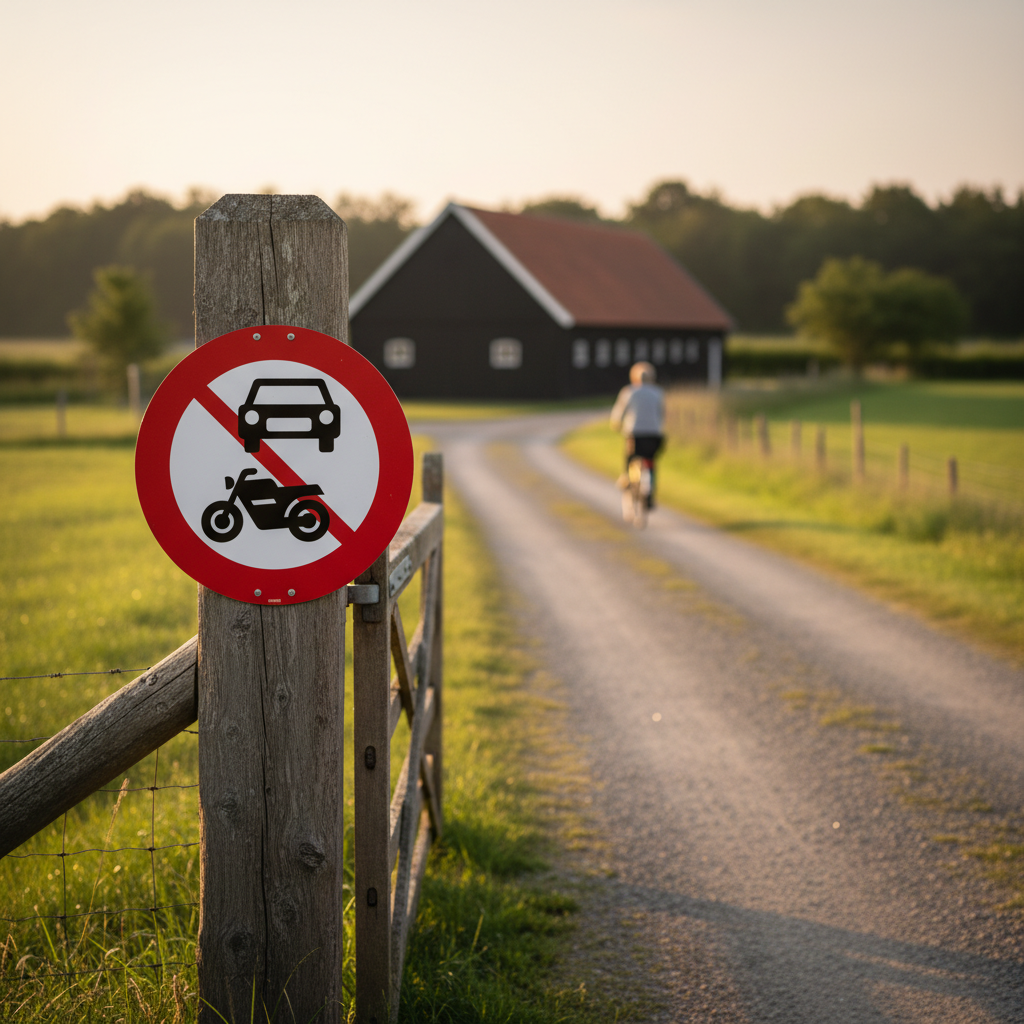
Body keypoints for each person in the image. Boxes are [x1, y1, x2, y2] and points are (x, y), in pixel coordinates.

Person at [610, 361, 665, 511]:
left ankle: (627, 478)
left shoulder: (629, 392)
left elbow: (619, 412)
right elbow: (662, 413)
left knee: (630, 457)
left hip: (635, 433)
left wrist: (616, 423)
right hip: (654, 435)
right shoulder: (658, 393)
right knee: (651, 462)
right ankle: (650, 492)